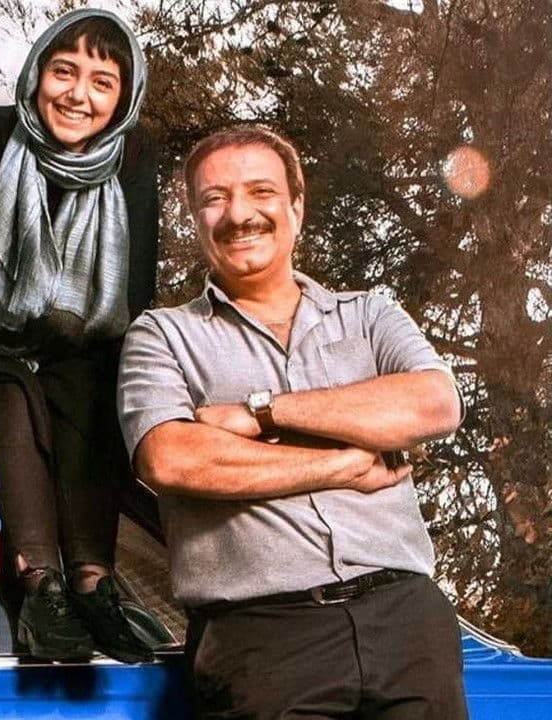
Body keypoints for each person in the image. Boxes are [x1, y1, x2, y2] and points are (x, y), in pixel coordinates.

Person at [118, 125, 468, 718]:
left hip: (408, 624)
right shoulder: (162, 336)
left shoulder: (370, 316)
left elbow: (434, 404)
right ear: (194, 219)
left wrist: (262, 411)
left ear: (296, 208)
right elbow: (171, 457)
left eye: (261, 192)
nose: (239, 215)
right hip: (261, 639)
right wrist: (345, 463)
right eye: (215, 199)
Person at [0, 7, 171, 662]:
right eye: (64, 72)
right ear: (36, 75)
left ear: (122, 99)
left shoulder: (133, 157)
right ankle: (40, 586)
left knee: (98, 382)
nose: (79, 95)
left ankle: (93, 579)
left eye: (102, 82)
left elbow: (132, 297)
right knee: (8, 392)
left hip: (81, 344)